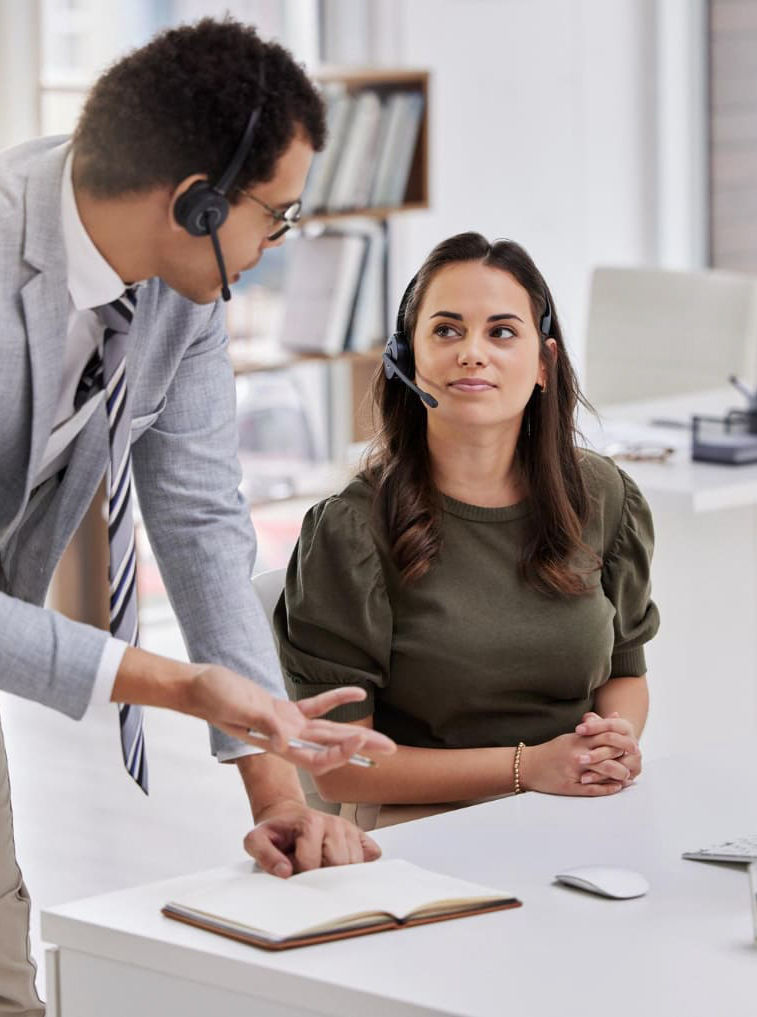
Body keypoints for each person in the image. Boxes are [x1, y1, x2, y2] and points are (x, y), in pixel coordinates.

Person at [0, 18, 395, 1017]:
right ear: (198, 201)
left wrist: (277, 793)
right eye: (279, 215)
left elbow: (201, 519)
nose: (276, 246)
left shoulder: (186, 285)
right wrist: (180, 685)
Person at [276, 231, 658, 829]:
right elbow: (338, 768)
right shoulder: (349, 531)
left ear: (543, 363)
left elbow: (625, 674)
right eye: (446, 330)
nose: (472, 353)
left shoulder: (604, 496)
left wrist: (614, 740)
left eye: (502, 332)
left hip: (579, 806)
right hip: (422, 828)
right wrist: (526, 768)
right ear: (406, 360)